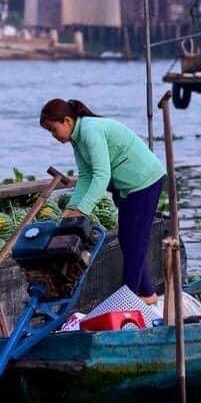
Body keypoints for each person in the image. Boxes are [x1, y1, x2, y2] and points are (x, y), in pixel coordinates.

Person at [39, 99, 166, 305]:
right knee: (127, 240)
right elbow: (86, 175)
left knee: (135, 243)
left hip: (144, 181)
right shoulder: (77, 138)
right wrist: (73, 208)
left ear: (67, 121)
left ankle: (129, 301)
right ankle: (148, 294)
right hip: (127, 186)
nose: (54, 136)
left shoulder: (89, 131)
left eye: (54, 129)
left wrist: (83, 209)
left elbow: (102, 175)